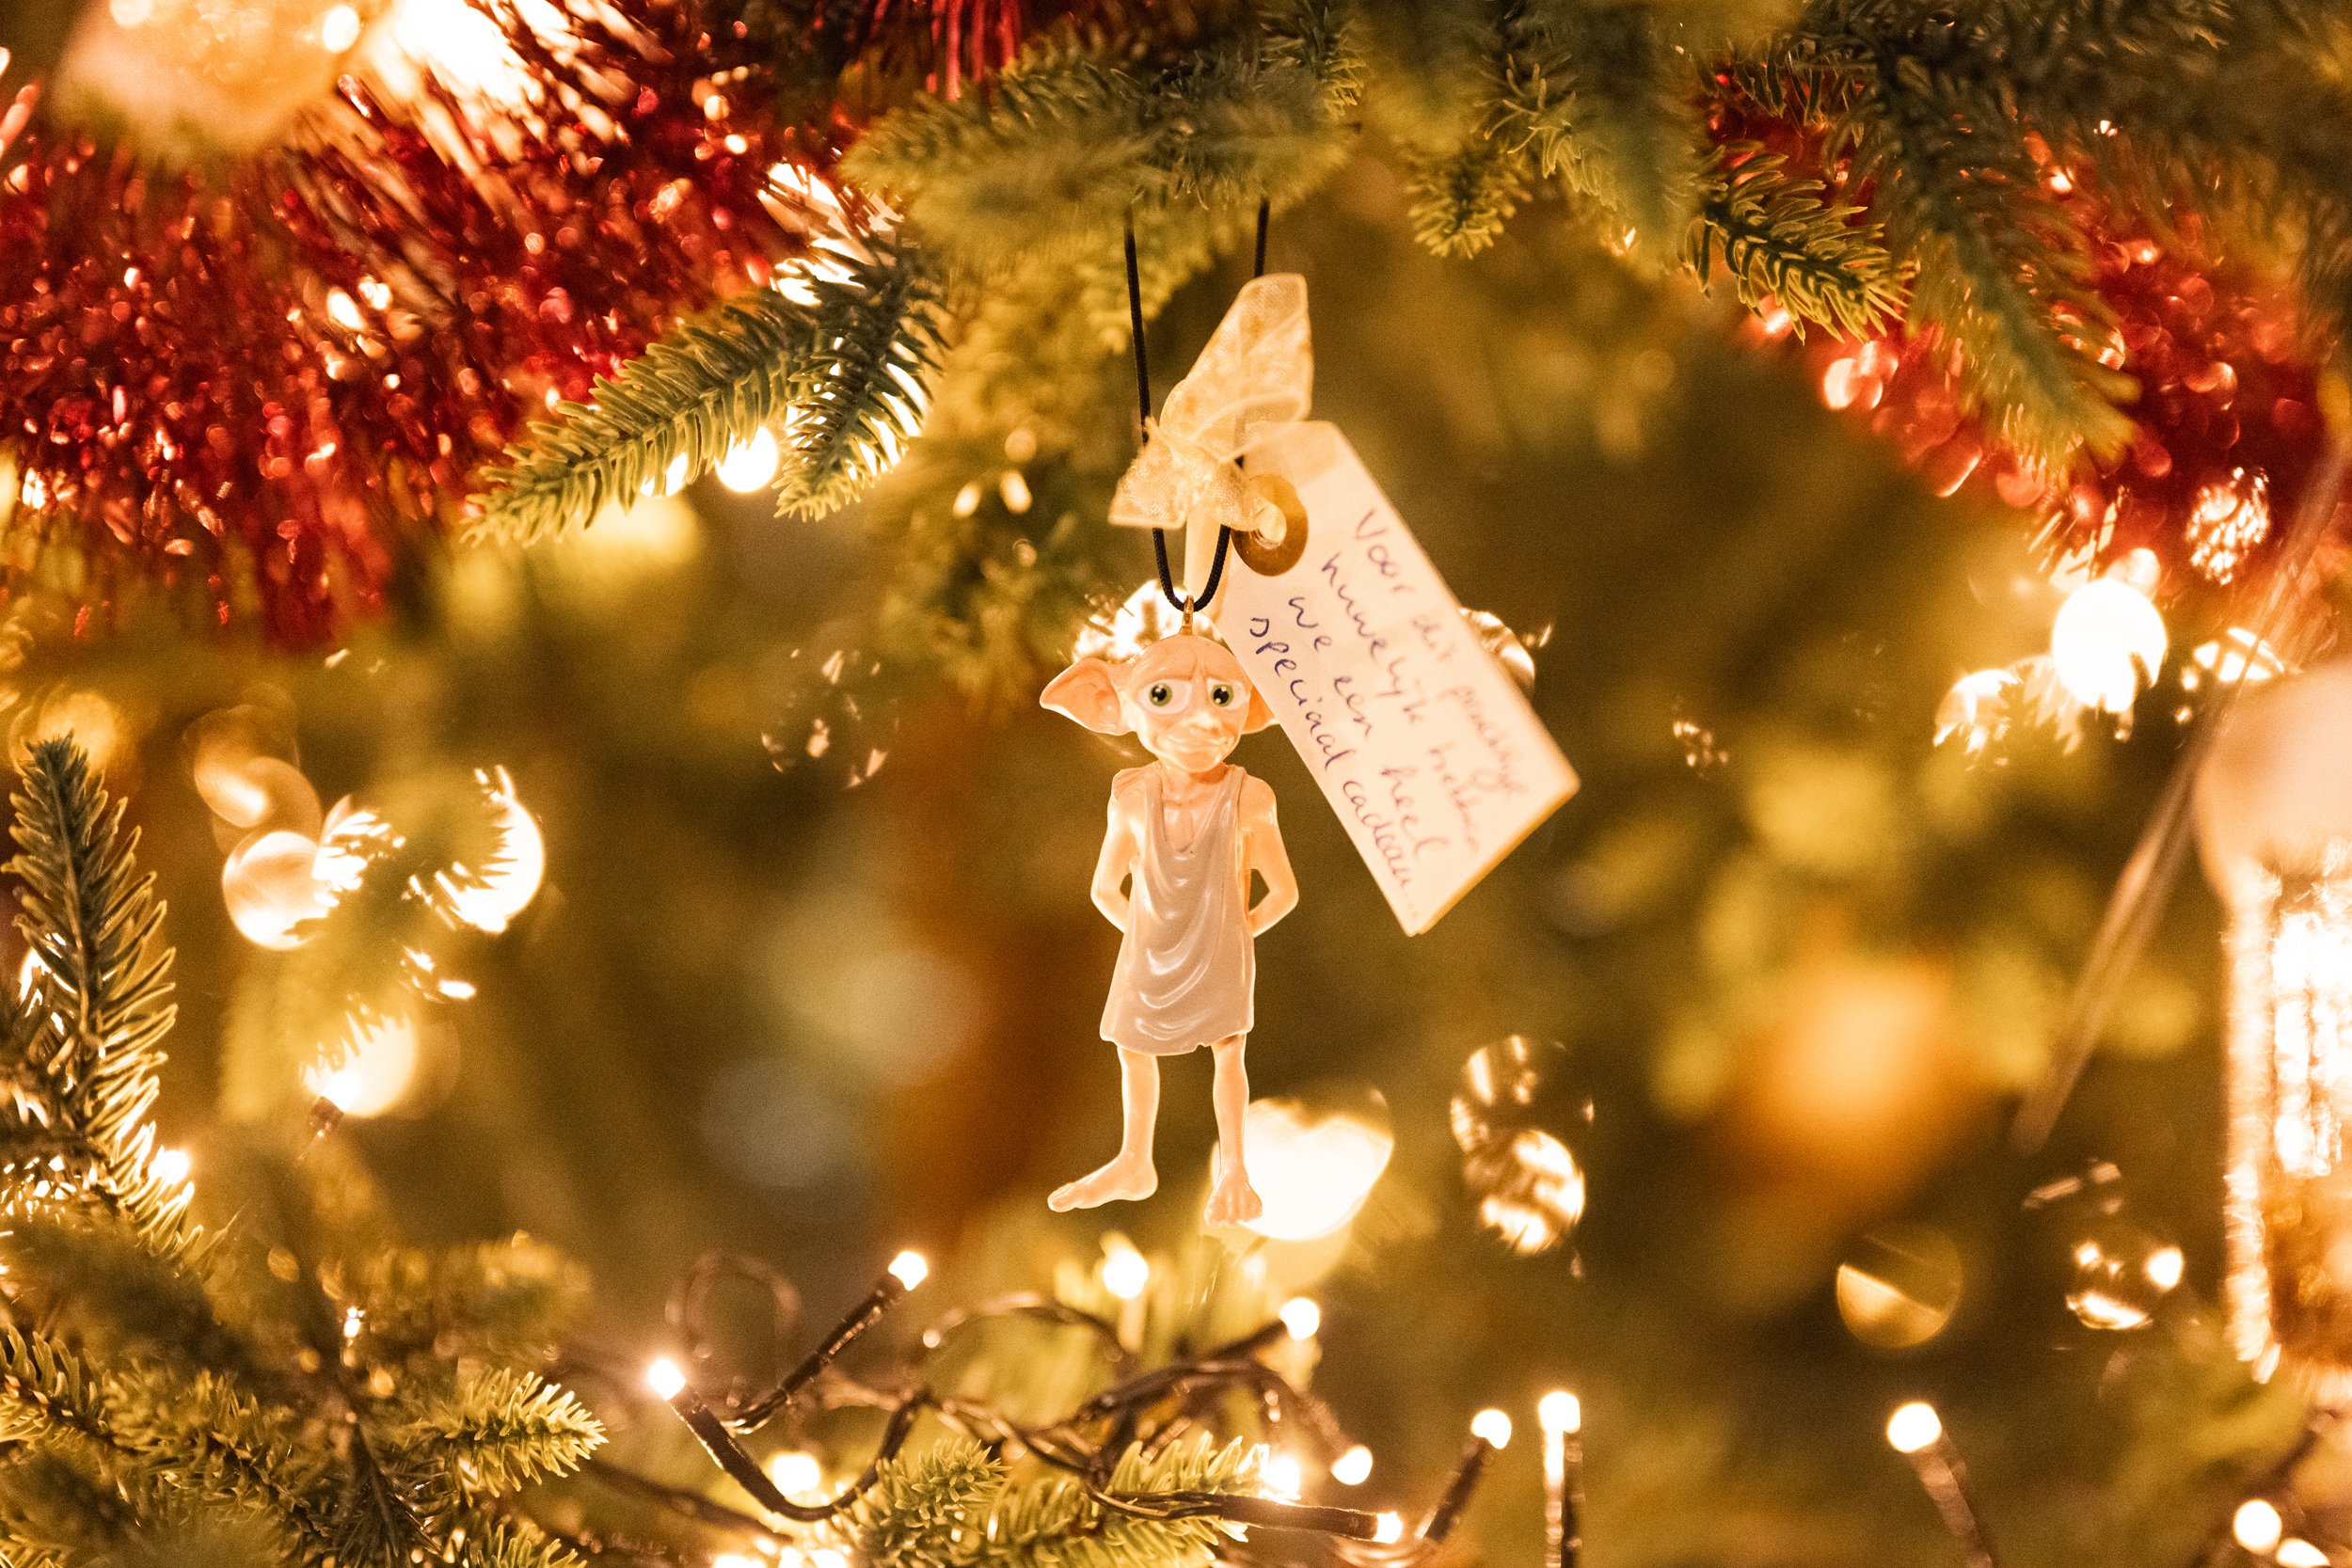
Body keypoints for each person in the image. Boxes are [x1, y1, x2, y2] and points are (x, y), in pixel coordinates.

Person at [1041, 630, 1299, 1226]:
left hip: (1222, 955)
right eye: (1164, 696)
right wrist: (1146, 936)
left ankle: (1235, 1168)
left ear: (1254, 707)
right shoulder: (1131, 800)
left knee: (1228, 1052)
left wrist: (1234, 936)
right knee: (1131, 1048)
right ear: (1111, 704)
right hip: (1149, 951)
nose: (1200, 720)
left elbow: (1283, 891)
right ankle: (1136, 1159)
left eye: (1221, 697)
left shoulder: (1251, 799)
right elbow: (1105, 887)